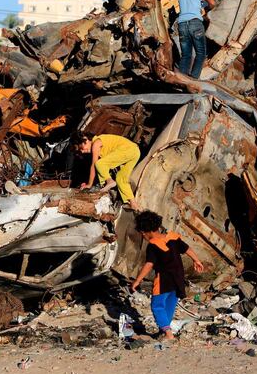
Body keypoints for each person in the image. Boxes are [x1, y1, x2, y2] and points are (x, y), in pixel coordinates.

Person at [130, 210, 204, 340]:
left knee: (157, 306)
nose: (142, 235)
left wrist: (137, 280)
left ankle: (169, 334)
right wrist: (196, 260)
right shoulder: (173, 237)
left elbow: (149, 264)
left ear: (144, 232)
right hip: (178, 278)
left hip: (163, 279)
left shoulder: (152, 245)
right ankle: (164, 331)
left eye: (142, 233)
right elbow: (187, 249)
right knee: (170, 304)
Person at [158, 0, 215, 78]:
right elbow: (212, 2)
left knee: (186, 55)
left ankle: (181, 79)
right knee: (201, 54)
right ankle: (193, 79)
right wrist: (206, 10)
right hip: (196, 23)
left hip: (182, 25)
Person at [73, 132, 140, 211]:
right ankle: (134, 204)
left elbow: (93, 165)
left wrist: (89, 184)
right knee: (121, 179)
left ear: (86, 140)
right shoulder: (98, 144)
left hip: (128, 149)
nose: (82, 152)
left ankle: (109, 181)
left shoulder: (96, 143)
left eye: (81, 148)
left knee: (100, 164)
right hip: (135, 152)